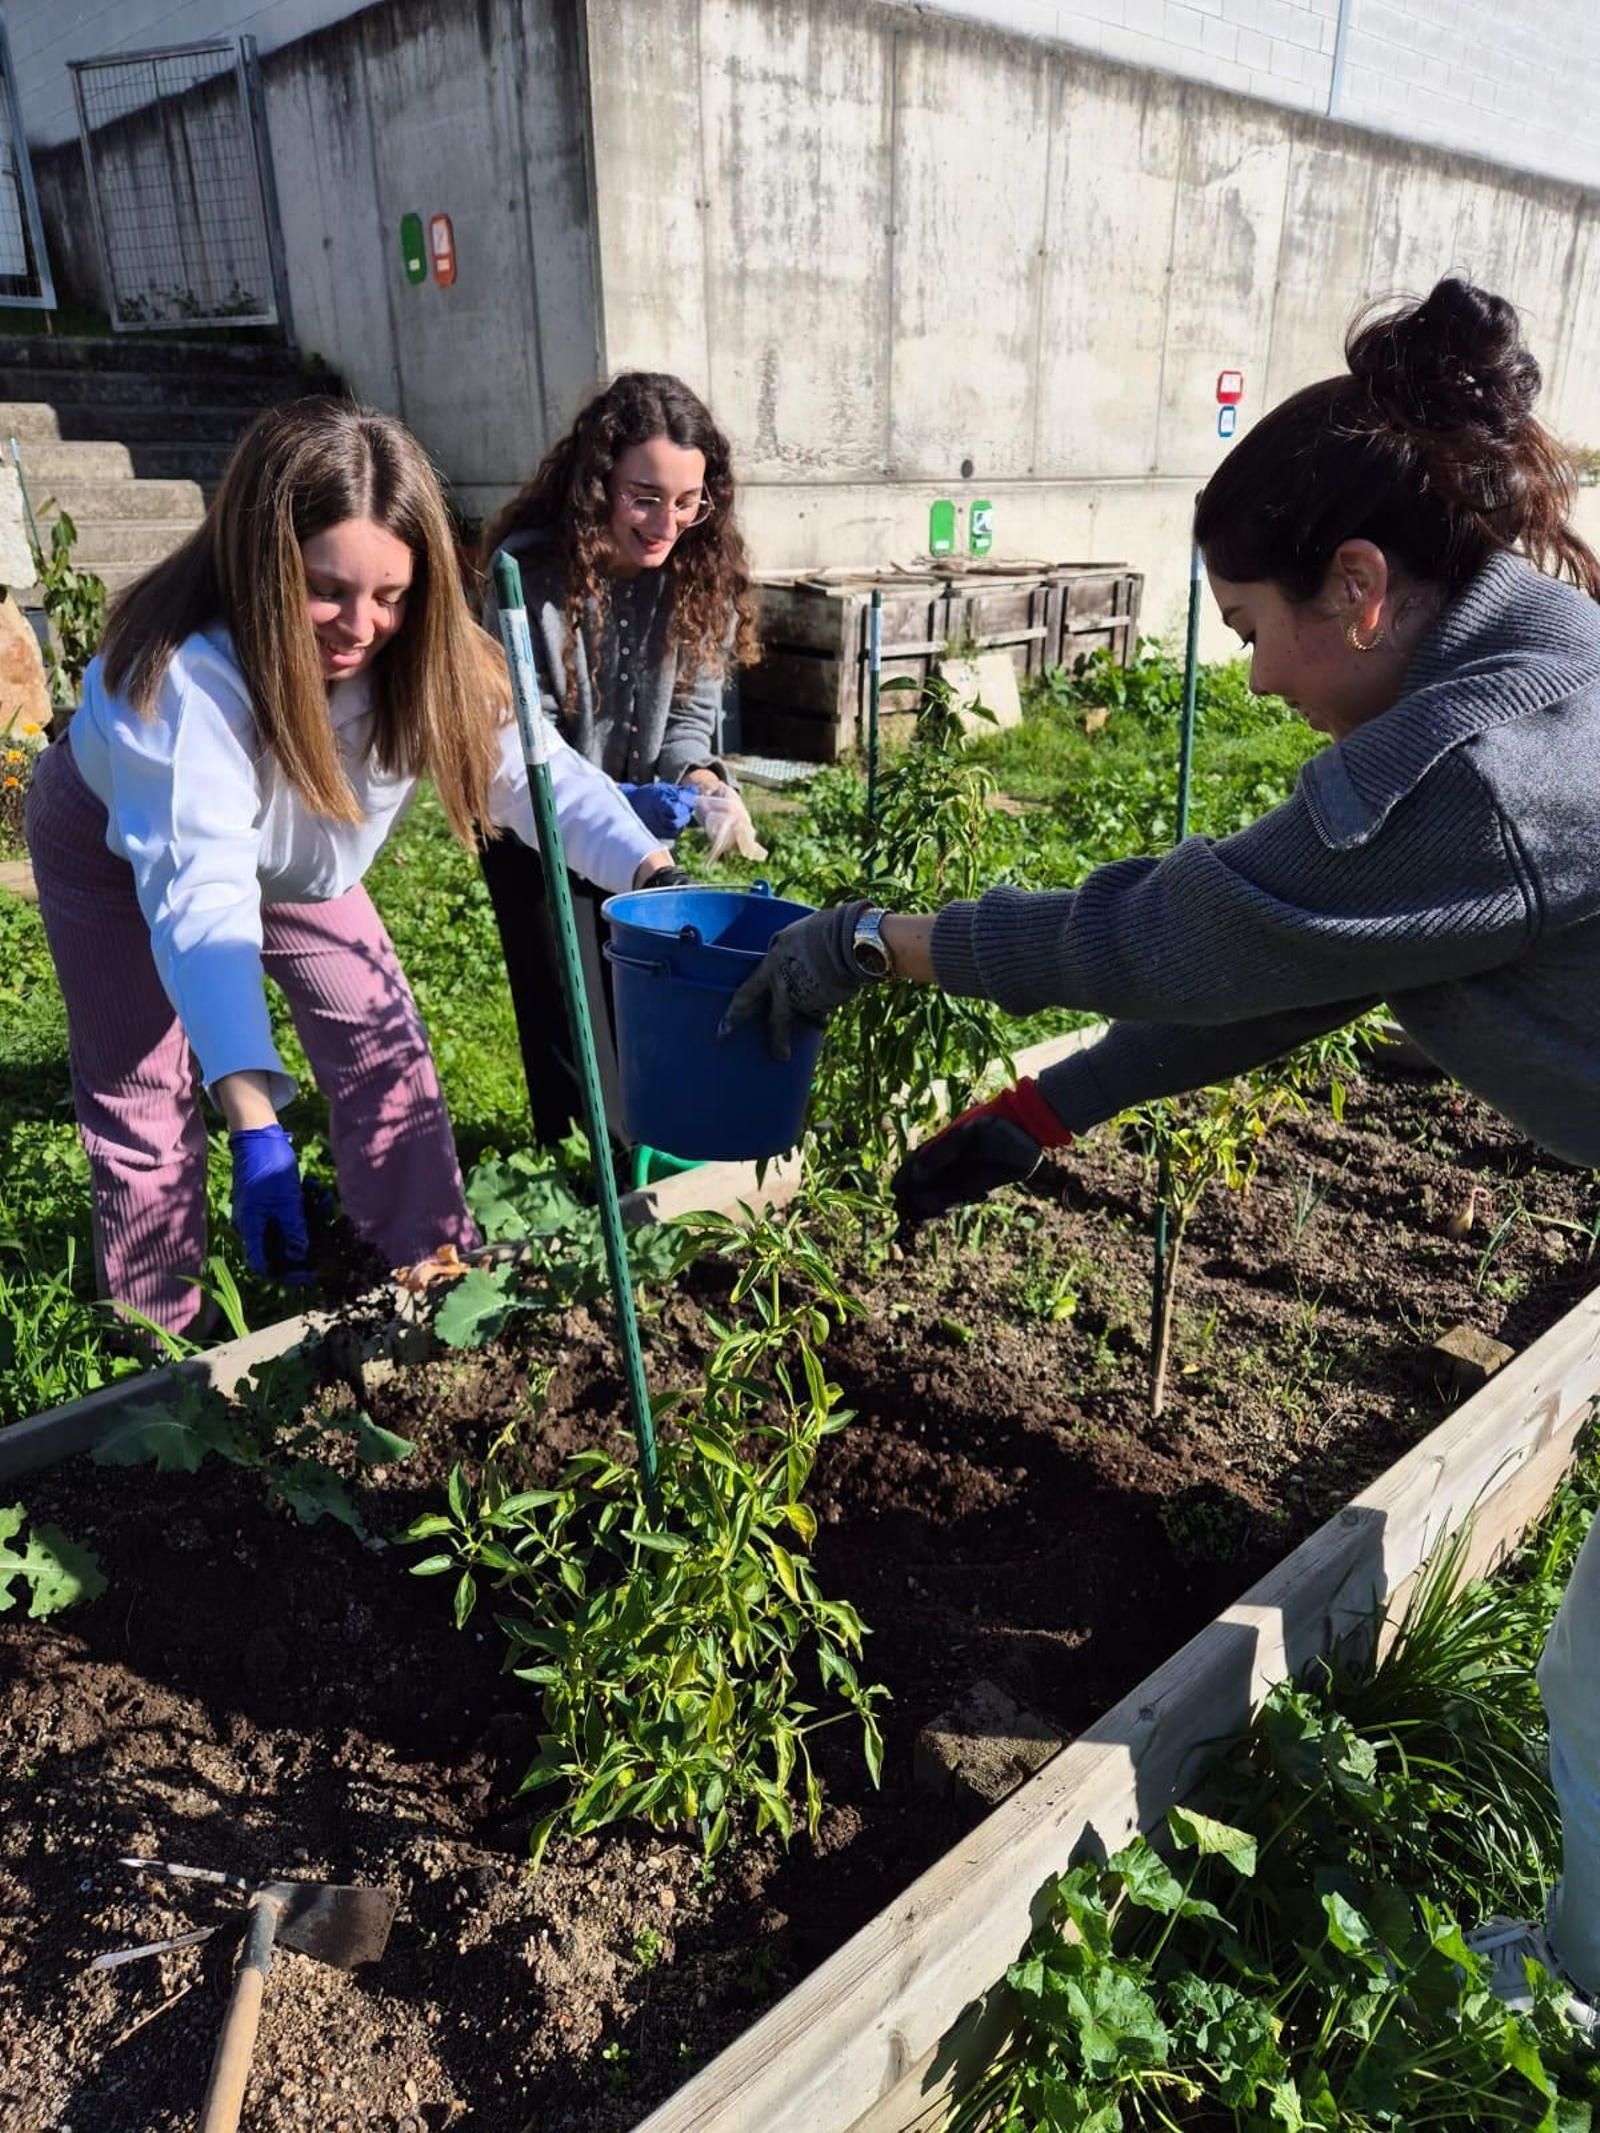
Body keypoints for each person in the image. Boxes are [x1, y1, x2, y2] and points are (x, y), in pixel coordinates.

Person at [724, 277, 1600, 2041]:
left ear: (1363, 588)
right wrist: (1032, 1118)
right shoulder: (1534, 673)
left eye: (1256, 623)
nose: (1256, 670)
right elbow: (1275, 975)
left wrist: (883, 939)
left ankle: (1577, 1999)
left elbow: (1178, 937)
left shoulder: (1488, 769)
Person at [25, 398, 678, 1340]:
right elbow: (200, 893)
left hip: (294, 852)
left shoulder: (426, 655)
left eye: (391, 595)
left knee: (383, 1042)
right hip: (111, 840)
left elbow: (545, 781)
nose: (360, 625)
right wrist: (254, 1124)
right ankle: (159, 1349)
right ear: (261, 563)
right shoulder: (182, 681)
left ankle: (426, 1273)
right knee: (145, 1094)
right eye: (326, 588)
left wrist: (654, 876)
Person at [476, 371, 762, 1149]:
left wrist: (702, 787)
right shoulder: (525, 578)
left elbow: (687, 729)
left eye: (687, 500)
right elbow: (520, 741)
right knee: (570, 1021)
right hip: (533, 823)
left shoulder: (703, 580)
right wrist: (613, 802)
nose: (666, 520)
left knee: (640, 1001)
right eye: (645, 496)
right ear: (599, 479)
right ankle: (577, 1190)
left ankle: (643, 1154)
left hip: (641, 829)